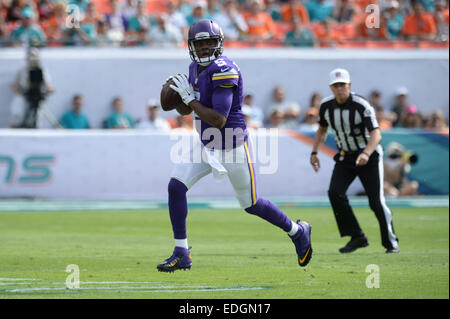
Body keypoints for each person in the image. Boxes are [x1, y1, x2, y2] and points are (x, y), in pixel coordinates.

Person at [156, 19, 312, 272]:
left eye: (209, 42)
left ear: (218, 44)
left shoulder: (223, 69)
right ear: (191, 46)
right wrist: (178, 98)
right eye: (200, 43)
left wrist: (188, 100)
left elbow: (218, 119)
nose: (205, 48)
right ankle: (181, 252)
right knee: (176, 187)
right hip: (207, 144)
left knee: (251, 204)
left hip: (231, 145)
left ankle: (297, 231)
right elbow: (191, 106)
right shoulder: (194, 68)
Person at [310, 68, 400, 254]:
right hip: (345, 156)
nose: (340, 89)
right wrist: (314, 152)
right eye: (336, 86)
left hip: (369, 156)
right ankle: (357, 236)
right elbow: (322, 129)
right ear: (331, 88)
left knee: (376, 202)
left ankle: (391, 242)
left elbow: (376, 134)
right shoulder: (326, 106)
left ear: (349, 85)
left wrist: (366, 153)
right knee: (335, 193)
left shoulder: (361, 105)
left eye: (342, 85)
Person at [10, 48, 54, 128]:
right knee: (18, 110)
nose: (33, 59)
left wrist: (47, 92)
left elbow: (48, 86)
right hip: (24, 96)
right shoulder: (22, 70)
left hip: (38, 96)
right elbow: (14, 85)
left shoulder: (43, 71)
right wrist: (21, 92)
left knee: (37, 117)